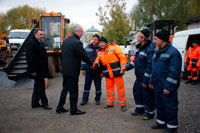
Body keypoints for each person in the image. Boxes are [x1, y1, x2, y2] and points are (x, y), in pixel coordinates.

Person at [56, 24, 93, 115]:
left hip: (65, 70)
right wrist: (92, 64)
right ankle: (74, 109)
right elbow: (83, 55)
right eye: (81, 31)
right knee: (73, 91)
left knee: (65, 88)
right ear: (76, 31)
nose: (82, 33)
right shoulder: (77, 42)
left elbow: (61, 55)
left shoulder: (65, 41)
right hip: (72, 71)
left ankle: (60, 107)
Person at [150, 30, 181, 133]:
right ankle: (161, 123)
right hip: (158, 85)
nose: (154, 41)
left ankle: (172, 128)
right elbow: (153, 68)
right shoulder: (157, 51)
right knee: (159, 105)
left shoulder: (173, 52)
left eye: (155, 39)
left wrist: (168, 87)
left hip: (166, 86)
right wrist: (151, 81)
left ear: (162, 39)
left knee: (170, 107)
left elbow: (174, 72)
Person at [121, 29, 155, 120]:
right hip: (139, 77)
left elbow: (149, 66)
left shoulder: (150, 49)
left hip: (145, 77)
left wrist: (146, 80)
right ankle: (140, 108)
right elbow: (136, 61)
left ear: (143, 38)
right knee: (137, 92)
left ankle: (149, 112)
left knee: (147, 95)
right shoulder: (140, 48)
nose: (137, 38)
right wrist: (126, 67)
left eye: (138, 37)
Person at [93, 36, 127, 112]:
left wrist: (123, 68)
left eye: (102, 42)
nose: (100, 44)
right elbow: (98, 61)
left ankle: (123, 104)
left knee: (120, 89)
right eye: (100, 43)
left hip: (117, 73)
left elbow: (122, 57)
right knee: (109, 89)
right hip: (108, 74)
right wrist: (95, 64)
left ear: (106, 42)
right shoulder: (100, 52)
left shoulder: (114, 47)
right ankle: (110, 103)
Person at [26, 28, 52, 110]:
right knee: (41, 86)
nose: (42, 36)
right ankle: (45, 103)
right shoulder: (32, 43)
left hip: (40, 69)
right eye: (40, 34)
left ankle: (35, 102)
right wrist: (32, 70)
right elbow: (29, 58)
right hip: (36, 70)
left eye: (43, 34)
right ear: (35, 35)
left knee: (37, 86)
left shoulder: (39, 43)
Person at [80, 34, 102, 106]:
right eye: (93, 39)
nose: (93, 41)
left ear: (98, 41)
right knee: (86, 85)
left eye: (95, 39)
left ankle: (97, 99)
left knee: (98, 86)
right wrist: (83, 68)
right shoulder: (87, 47)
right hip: (88, 70)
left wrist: (102, 72)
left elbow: (103, 61)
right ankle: (84, 99)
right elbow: (84, 59)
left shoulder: (101, 49)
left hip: (97, 71)